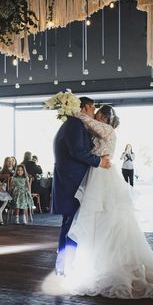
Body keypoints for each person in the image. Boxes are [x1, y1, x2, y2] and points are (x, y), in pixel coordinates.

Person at [61, 104, 153, 299]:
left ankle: (110, 263)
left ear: (106, 118)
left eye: (98, 114)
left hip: (103, 176)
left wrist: (74, 110)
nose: (95, 116)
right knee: (101, 219)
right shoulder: (101, 130)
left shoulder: (107, 130)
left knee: (109, 216)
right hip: (97, 174)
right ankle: (98, 261)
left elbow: (87, 122)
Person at [52, 97, 110, 275]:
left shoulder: (73, 125)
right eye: (93, 109)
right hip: (72, 183)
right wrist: (99, 161)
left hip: (70, 182)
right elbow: (77, 151)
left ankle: (65, 265)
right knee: (72, 225)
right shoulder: (75, 124)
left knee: (71, 225)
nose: (94, 113)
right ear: (87, 107)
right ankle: (65, 266)